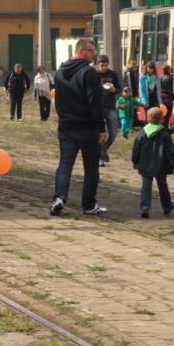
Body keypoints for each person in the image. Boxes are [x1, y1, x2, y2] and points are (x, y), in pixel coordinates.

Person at [50, 38, 108, 217]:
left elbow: (57, 99)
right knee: (91, 167)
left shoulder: (60, 71)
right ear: (82, 51)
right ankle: (89, 205)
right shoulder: (89, 73)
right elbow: (94, 103)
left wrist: (63, 117)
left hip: (66, 125)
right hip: (87, 127)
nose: (95, 54)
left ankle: (59, 198)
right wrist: (101, 127)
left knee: (65, 164)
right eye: (92, 51)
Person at [130, 107, 174, 218]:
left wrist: (135, 161)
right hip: (161, 165)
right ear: (162, 119)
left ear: (148, 119)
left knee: (146, 185)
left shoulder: (142, 133)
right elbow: (170, 151)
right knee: (163, 185)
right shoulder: (165, 134)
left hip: (145, 164)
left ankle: (145, 207)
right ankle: (167, 207)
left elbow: (136, 148)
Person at [96, 54, 121, 166]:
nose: (104, 67)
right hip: (99, 107)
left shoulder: (113, 74)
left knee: (114, 132)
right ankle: (100, 158)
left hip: (111, 107)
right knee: (101, 134)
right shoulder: (94, 74)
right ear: (98, 65)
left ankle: (103, 149)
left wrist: (114, 89)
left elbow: (119, 89)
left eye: (106, 65)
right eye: (102, 65)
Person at [140, 61, 162, 126]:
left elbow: (158, 90)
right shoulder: (143, 77)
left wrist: (159, 101)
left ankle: (155, 131)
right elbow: (141, 90)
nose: (150, 70)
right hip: (147, 99)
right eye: (149, 68)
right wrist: (144, 101)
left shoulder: (157, 77)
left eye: (152, 68)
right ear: (146, 68)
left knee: (155, 115)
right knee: (148, 116)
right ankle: (148, 132)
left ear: (154, 69)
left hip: (155, 98)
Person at [123, 58, 141, 127]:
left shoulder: (132, 72)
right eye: (132, 64)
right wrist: (131, 94)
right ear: (128, 64)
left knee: (133, 107)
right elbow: (129, 84)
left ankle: (135, 121)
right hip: (129, 94)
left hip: (133, 93)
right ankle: (132, 123)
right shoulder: (128, 72)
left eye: (135, 63)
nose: (134, 65)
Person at [160, 64, 173, 128]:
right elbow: (170, 89)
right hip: (168, 98)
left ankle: (162, 127)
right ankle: (165, 128)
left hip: (162, 97)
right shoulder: (169, 77)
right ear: (168, 69)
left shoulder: (161, 76)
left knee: (163, 113)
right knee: (168, 114)